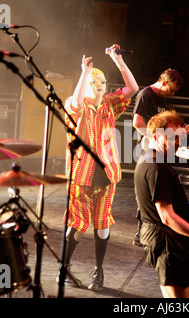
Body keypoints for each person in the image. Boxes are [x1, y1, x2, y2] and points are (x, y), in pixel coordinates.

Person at [59, 44, 139, 290]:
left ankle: (98, 271)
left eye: (102, 83)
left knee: (102, 223)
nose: (100, 87)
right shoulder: (75, 106)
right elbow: (76, 100)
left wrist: (118, 60)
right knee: (79, 224)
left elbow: (133, 89)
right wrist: (84, 72)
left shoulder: (109, 105)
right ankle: (64, 269)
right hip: (81, 176)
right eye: (96, 84)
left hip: (107, 174)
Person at [134, 110, 189, 298]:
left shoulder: (153, 160)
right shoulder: (156, 167)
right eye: (173, 138)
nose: (178, 143)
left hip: (177, 244)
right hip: (167, 246)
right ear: (156, 136)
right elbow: (166, 216)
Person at [132, 69, 184, 246]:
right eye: (172, 89)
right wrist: (154, 139)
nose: (173, 93)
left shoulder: (162, 98)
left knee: (158, 190)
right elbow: (137, 122)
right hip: (149, 146)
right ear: (164, 82)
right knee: (147, 192)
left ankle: (157, 228)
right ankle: (141, 233)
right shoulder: (146, 94)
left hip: (157, 146)